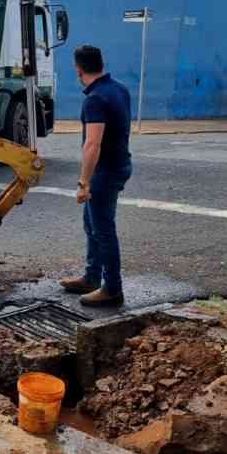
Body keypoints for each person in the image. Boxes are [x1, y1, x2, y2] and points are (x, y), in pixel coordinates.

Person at [60, 45, 132, 307]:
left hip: (105, 171)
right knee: (92, 225)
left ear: (78, 69)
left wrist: (84, 182)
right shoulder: (119, 89)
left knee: (103, 230)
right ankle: (91, 277)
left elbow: (93, 145)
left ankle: (112, 289)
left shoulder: (95, 99)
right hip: (121, 163)